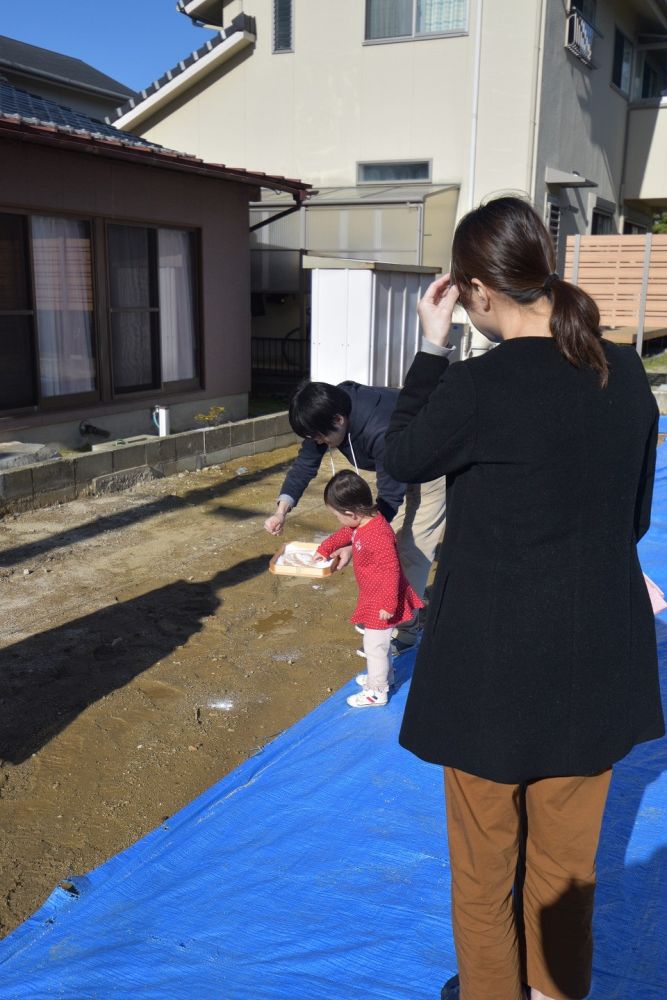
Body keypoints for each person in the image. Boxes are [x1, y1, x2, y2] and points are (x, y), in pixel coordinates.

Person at [382, 196, 664, 1000]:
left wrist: (429, 351)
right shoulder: (624, 374)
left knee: (482, 877)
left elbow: (400, 454)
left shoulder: (477, 386)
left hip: (488, 672)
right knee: (565, 874)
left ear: (474, 290)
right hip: (593, 663)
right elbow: (634, 519)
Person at [263, 380, 447, 649]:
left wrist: (353, 542)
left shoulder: (378, 429)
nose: (318, 443)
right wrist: (281, 510)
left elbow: (390, 498)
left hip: (430, 462)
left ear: (339, 420)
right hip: (396, 463)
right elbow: (305, 464)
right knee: (382, 542)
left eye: (320, 437)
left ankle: (404, 630)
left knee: (409, 547)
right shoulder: (327, 411)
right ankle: (388, 612)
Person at [315, 470, 423, 707]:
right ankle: (384, 678)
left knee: (375, 646)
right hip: (375, 594)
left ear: (350, 513)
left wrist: (387, 603)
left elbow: (391, 570)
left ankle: (377, 691)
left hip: (383, 599)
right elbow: (345, 533)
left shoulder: (378, 534)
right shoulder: (363, 522)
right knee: (379, 645)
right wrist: (325, 548)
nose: (338, 521)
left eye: (337, 516)